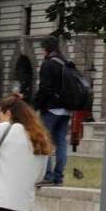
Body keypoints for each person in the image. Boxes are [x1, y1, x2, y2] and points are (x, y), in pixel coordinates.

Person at [30, 36, 86, 186]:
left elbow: (45, 89)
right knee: (61, 142)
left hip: (51, 109)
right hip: (67, 110)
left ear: (46, 49)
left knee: (45, 140)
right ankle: (58, 177)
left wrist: (34, 106)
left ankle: (47, 176)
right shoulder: (66, 63)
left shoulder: (48, 64)